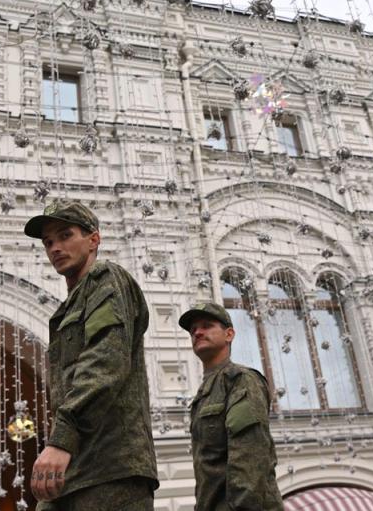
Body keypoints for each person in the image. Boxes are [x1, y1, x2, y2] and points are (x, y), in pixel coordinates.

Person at [24, 199, 158, 510]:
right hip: (75, 470)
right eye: (48, 242)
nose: (55, 247)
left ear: (93, 239)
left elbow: (105, 360)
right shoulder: (68, 307)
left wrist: (61, 439)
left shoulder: (106, 279)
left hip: (111, 469)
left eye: (66, 235)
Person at [179, 302, 283, 511]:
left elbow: (249, 457)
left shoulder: (241, 380)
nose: (197, 332)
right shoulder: (204, 394)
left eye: (207, 326)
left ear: (229, 335)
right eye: (193, 330)